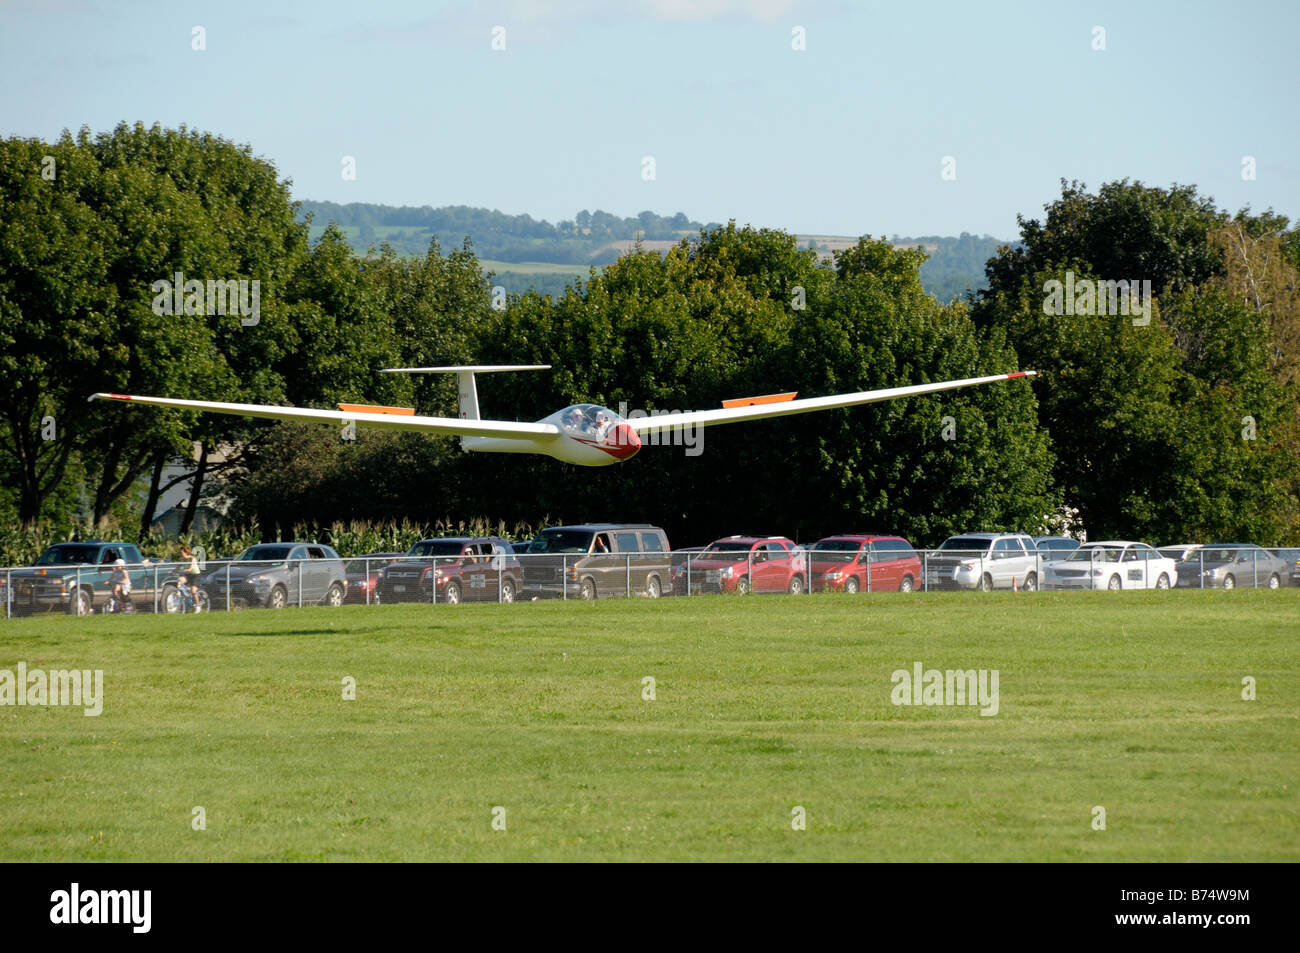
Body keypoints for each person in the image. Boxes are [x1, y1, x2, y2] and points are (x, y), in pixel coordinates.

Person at [178, 545, 202, 611]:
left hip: (196, 575)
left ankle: (198, 606)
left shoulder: (192, 558)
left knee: (193, 590)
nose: (180, 554)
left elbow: (191, 567)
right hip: (188, 575)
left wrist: (188, 569)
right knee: (180, 580)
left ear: (186, 553)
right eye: (180, 553)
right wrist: (172, 572)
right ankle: (182, 593)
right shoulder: (182, 560)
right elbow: (178, 567)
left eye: (181, 553)